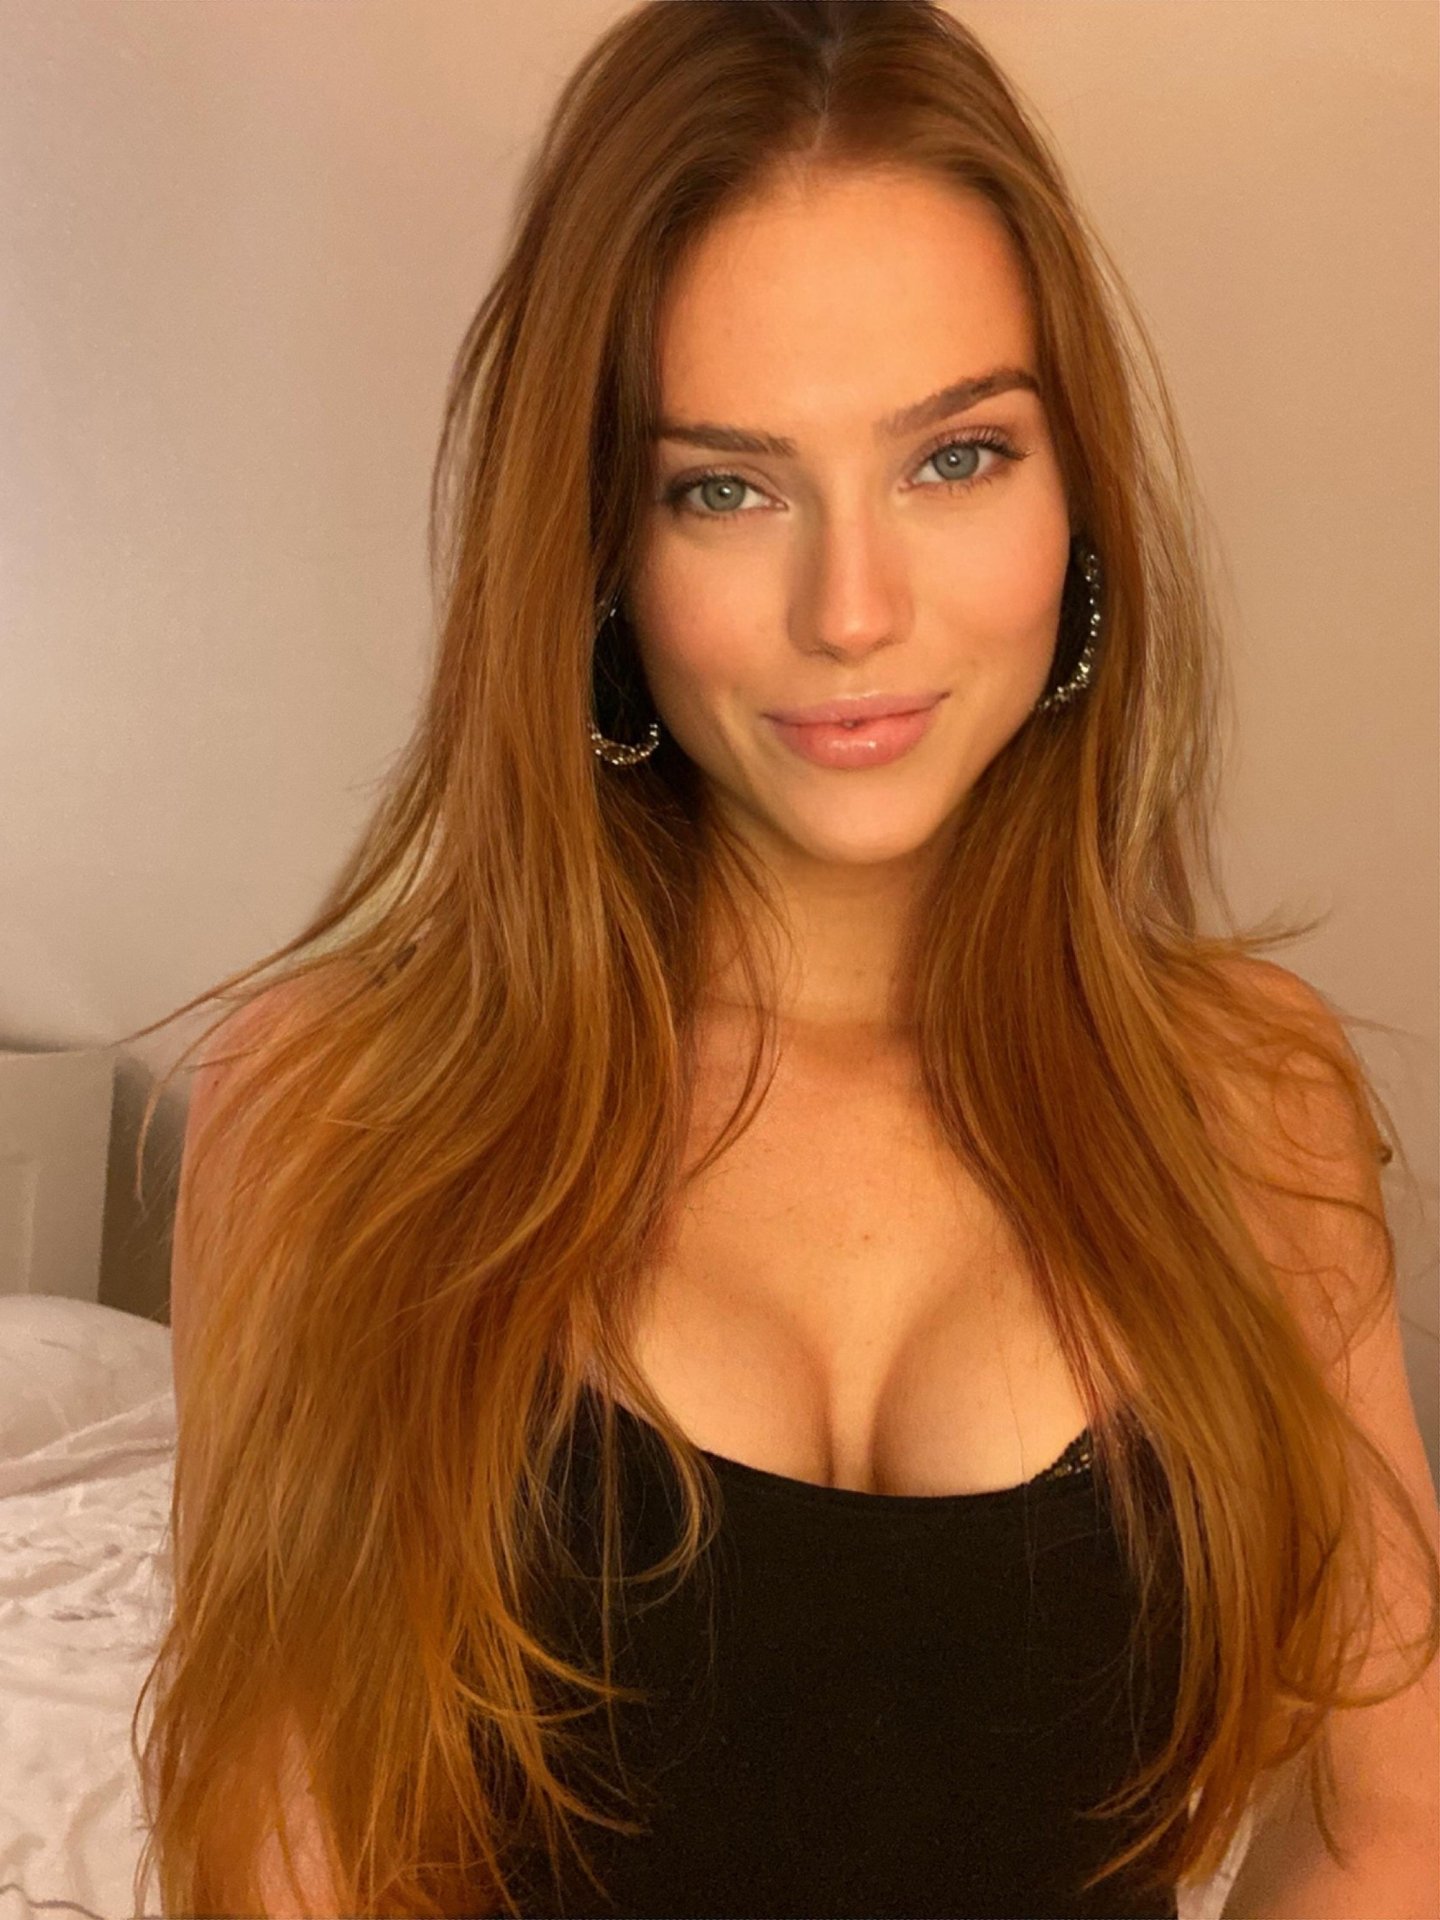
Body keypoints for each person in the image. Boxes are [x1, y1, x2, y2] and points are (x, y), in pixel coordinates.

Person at [126, 3, 1439, 1916]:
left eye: (956, 458)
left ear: (1076, 497)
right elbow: (282, 1869)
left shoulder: (1249, 1097)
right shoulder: (339, 1115)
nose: (853, 610)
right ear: (598, 546)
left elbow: (1386, 1818)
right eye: (724, 487)